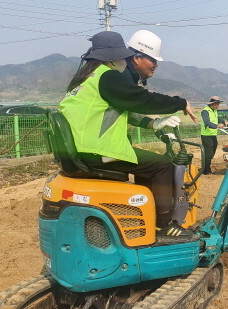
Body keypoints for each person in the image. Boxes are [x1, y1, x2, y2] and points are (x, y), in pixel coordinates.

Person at [59, 31, 195, 237]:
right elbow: (142, 100)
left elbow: (121, 110)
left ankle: (143, 217)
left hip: (81, 150)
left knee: (146, 164)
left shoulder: (86, 78)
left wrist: (153, 124)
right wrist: (180, 103)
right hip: (97, 151)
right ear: (115, 56)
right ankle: (165, 226)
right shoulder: (108, 76)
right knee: (162, 166)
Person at [201, 96, 228, 175]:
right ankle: (206, 170)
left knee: (213, 150)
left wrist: (224, 121)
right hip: (206, 135)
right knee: (208, 153)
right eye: (217, 104)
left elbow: (217, 119)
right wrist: (217, 126)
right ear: (212, 103)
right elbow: (207, 122)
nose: (218, 105)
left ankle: (206, 165)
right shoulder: (205, 111)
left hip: (212, 134)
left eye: (218, 103)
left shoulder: (214, 111)